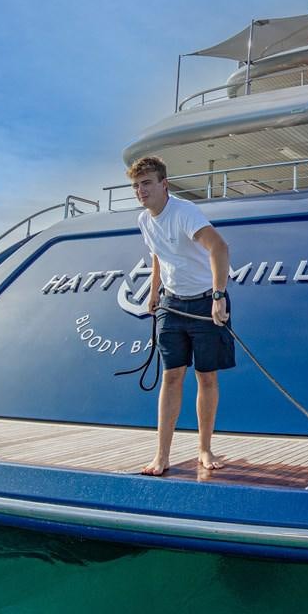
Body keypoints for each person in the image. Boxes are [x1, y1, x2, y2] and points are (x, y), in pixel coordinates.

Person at [127, 155, 233, 476]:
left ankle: (204, 448)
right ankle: (162, 455)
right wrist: (154, 290)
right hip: (171, 305)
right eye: (136, 186)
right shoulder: (144, 220)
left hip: (205, 303)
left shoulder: (185, 213)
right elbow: (158, 254)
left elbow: (219, 248)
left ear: (164, 184)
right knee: (171, 377)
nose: (141, 191)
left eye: (147, 183)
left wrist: (218, 296)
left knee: (206, 377)